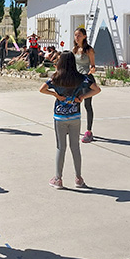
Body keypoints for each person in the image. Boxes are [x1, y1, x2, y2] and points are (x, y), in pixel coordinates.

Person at [39, 51, 101, 189]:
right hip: (75, 115)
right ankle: (78, 178)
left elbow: (42, 89)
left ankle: (58, 178)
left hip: (60, 116)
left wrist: (55, 94)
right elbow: (97, 90)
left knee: (61, 147)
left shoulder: (55, 77)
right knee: (75, 147)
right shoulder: (81, 78)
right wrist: (83, 97)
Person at [73, 28, 97, 143]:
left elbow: (93, 66)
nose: (77, 37)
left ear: (84, 36)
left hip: (86, 79)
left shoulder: (89, 50)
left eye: (79, 35)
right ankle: (75, 127)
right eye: (75, 35)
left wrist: (92, 70)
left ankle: (89, 131)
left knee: (87, 105)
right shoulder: (75, 49)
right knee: (76, 103)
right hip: (76, 80)